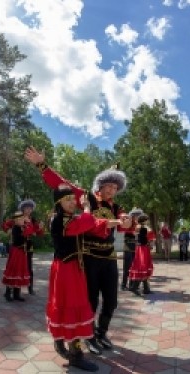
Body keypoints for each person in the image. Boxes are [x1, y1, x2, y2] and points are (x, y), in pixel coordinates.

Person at [24, 146, 132, 355]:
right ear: (99, 186)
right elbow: (59, 183)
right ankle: (88, 336)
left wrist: (127, 220)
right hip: (88, 258)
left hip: (109, 257)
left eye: (115, 188)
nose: (112, 191)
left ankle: (101, 333)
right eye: (108, 186)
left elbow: (125, 222)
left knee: (111, 300)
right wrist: (41, 164)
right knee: (89, 300)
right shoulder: (85, 198)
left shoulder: (116, 207)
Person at [47, 184, 120, 372]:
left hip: (70, 269)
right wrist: (87, 207)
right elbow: (85, 223)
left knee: (66, 307)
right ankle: (75, 356)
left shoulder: (68, 218)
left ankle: (61, 342)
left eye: (73, 199)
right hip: (67, 270)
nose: (73, 203)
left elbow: (93, 224)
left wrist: (114, 223)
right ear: (58, 203)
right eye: (68, 200)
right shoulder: (59, 220)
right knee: (73, 308)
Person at [3, 199, 44, 295]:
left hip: (28, 246)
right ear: (23, 209)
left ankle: (30, 287)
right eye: (27, 208)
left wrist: (40, 229)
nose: (29, 210)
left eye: (30, 208)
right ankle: (9, 290)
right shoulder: (18, 217)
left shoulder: (33, 220)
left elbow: (38, 232)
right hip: (17, 247)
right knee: (14, 267)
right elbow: (5, 224)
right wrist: (8, 230)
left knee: (28, 267)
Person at [2, 211, 33, 302]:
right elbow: (25, 234)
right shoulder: (16, 228)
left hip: (22, 253)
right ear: (16, 221)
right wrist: (28, 223)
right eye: (20, 219)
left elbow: (30, 232)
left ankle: (16, 294)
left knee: (20, 272)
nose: (23, 220)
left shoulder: (22, 227)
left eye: (23, 219)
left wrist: (27, 224)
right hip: (16, 252)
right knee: (13, 271)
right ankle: (8, 293)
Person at [128, 213, 154, 296]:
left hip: (141, 248)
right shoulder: (143, 227)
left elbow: (136, 234)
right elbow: (151, 236)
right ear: (144, 220)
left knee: (144, 266)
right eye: (147, 220)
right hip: (142, 249)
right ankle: (134, 287)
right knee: (142, 266)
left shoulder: (138, 227)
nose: (148, 221)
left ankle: (146, 288)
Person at [121, 207, 143, 291]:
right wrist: (133, 232)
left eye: (138, 215)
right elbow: (125, 231)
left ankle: (131, 285)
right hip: (127, 246)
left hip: (135, 246)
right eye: (136, 215)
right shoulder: (128, 222)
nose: (138, 217)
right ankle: (123, 284)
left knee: (133, 266)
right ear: (133, 216)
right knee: (127, 266)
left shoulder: (139, 224)